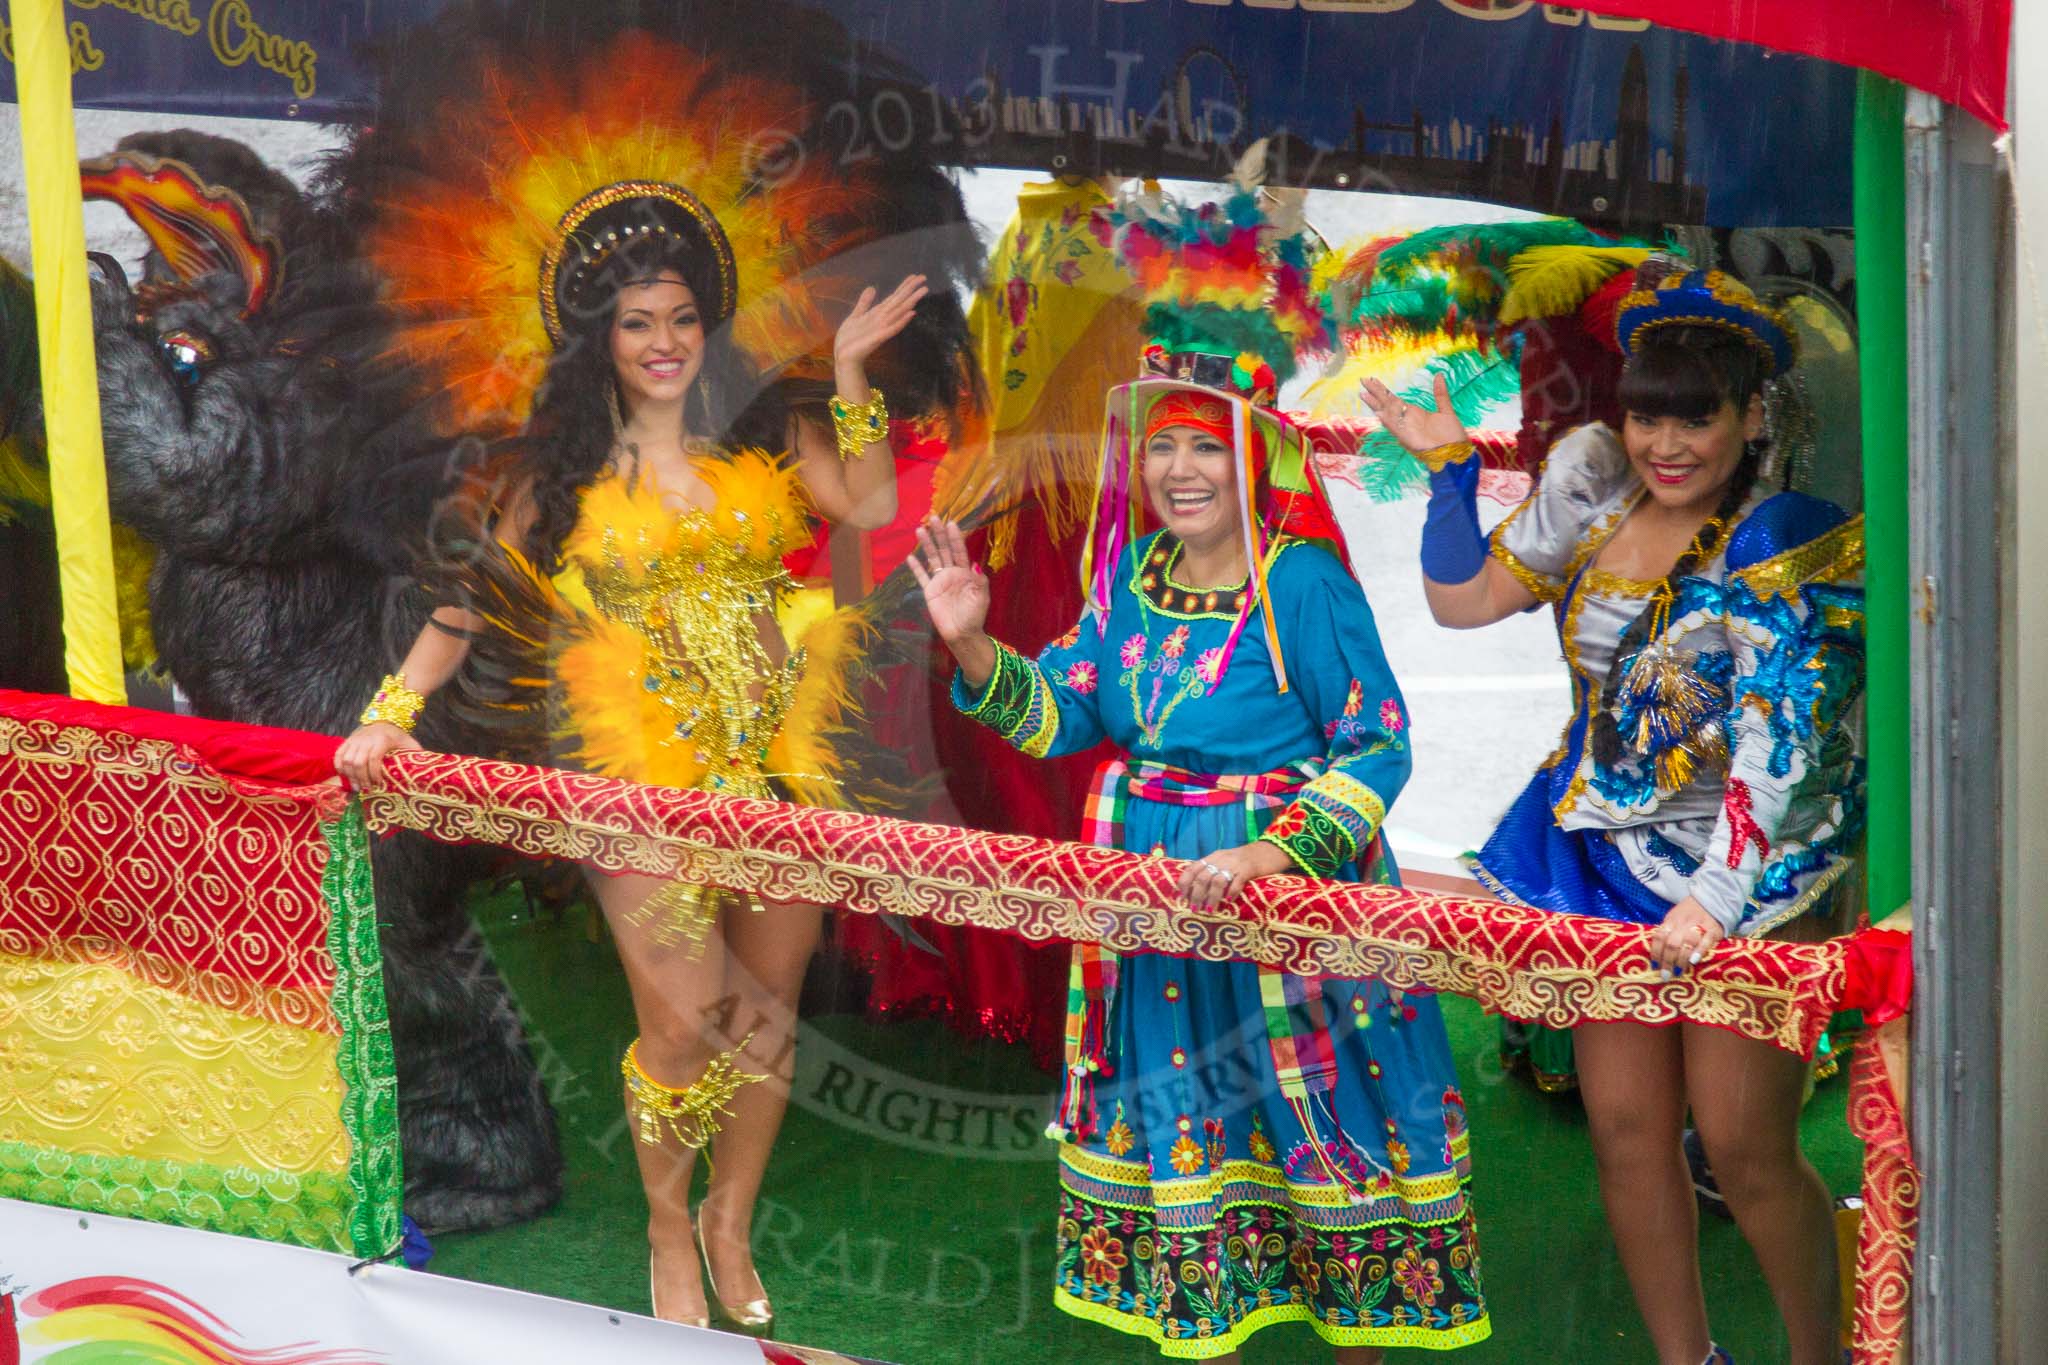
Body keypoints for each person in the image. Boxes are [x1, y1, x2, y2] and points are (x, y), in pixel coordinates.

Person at [334, 177, 937, 1328]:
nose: (662, 343)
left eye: (679, 318)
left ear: (705, 326)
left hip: (774, 769)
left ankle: (729, 1220)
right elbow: (463, 608)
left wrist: (850, 373)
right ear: (598, 339)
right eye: (635, 322)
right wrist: (390, 713)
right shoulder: (548, 481)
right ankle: (669, 1224)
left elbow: (863, 511)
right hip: (634, 787)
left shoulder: (766, 432)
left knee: (766, 1013)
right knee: (682, 1022)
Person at [912, 181, 1489, 1361]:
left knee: (1326, 1132)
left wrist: (1271, 854)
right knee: (1189, 1151)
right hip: (1157, 912)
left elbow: (1377, 742)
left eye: (1202, 446)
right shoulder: (1127, 584)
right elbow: (1064, 712)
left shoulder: (1302, 585)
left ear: (1253, 454)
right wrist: (971, 640)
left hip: (1284, 907)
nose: (1178, 469)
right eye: (1160, 443)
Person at [1367, 262, 1863, 1365]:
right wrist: (1448, 470)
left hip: (1751, 868)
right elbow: (1462, 603)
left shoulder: (1778, 533)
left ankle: (1820, 1359)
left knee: (1739, 1146)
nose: (1665, 443)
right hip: (1594, 859)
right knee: (1630, 1138)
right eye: (1646, 415)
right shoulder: (1593, 488)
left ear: (1750, 416)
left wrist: (1717, 897)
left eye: (1695, 416)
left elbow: (1778, 739)